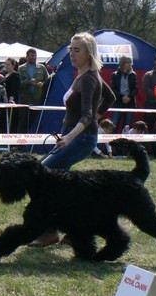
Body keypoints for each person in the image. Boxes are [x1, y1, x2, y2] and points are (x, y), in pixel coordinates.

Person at [30, 32, 116, 247]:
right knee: (63, 188)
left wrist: (70, 136)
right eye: (70, 49)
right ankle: (75, 230)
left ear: (89, 53)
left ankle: (49, 232)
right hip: (78, 135)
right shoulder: (86, 75)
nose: (71, 53)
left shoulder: (88, 79)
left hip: (80, 138)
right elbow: (110, 98)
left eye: (77, 50)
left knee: (41, 176)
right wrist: (91, 120)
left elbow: (87, 116)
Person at [17, 48, 49, 135]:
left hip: (37, 99)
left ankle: (34, 143)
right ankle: (20, 145)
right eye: (31, 56)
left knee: (35, 121)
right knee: (23, 122)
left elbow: (48, 81)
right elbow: (17, 84)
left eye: (35, 56)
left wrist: (42, 84)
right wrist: (28, 82)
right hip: (24, 100)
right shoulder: (21, 69)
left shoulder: (42, 68)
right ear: (27, 57)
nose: (33, 58)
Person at [110, 55, 137, 134]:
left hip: (130, 103)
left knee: (127, 126)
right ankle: (112, 144)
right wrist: (122, 97)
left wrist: (129, 97)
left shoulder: (133, 75)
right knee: (114, 125)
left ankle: (125, 145)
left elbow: (135, 89)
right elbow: (113, 88)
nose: (130, 64)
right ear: (123, 64)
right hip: (118, 102)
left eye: (130, 63)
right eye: (128, 63)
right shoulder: (115, 75)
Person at [0, 57, 20, 134]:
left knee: (11, 121)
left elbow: (14, 88)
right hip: (3, 101)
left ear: (13, 65)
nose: (6, 66)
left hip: (10, 102)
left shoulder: (15, 75)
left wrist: (11, 100)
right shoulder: (5, 75)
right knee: (2, 120)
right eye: (5, 64)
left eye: (8, 64)